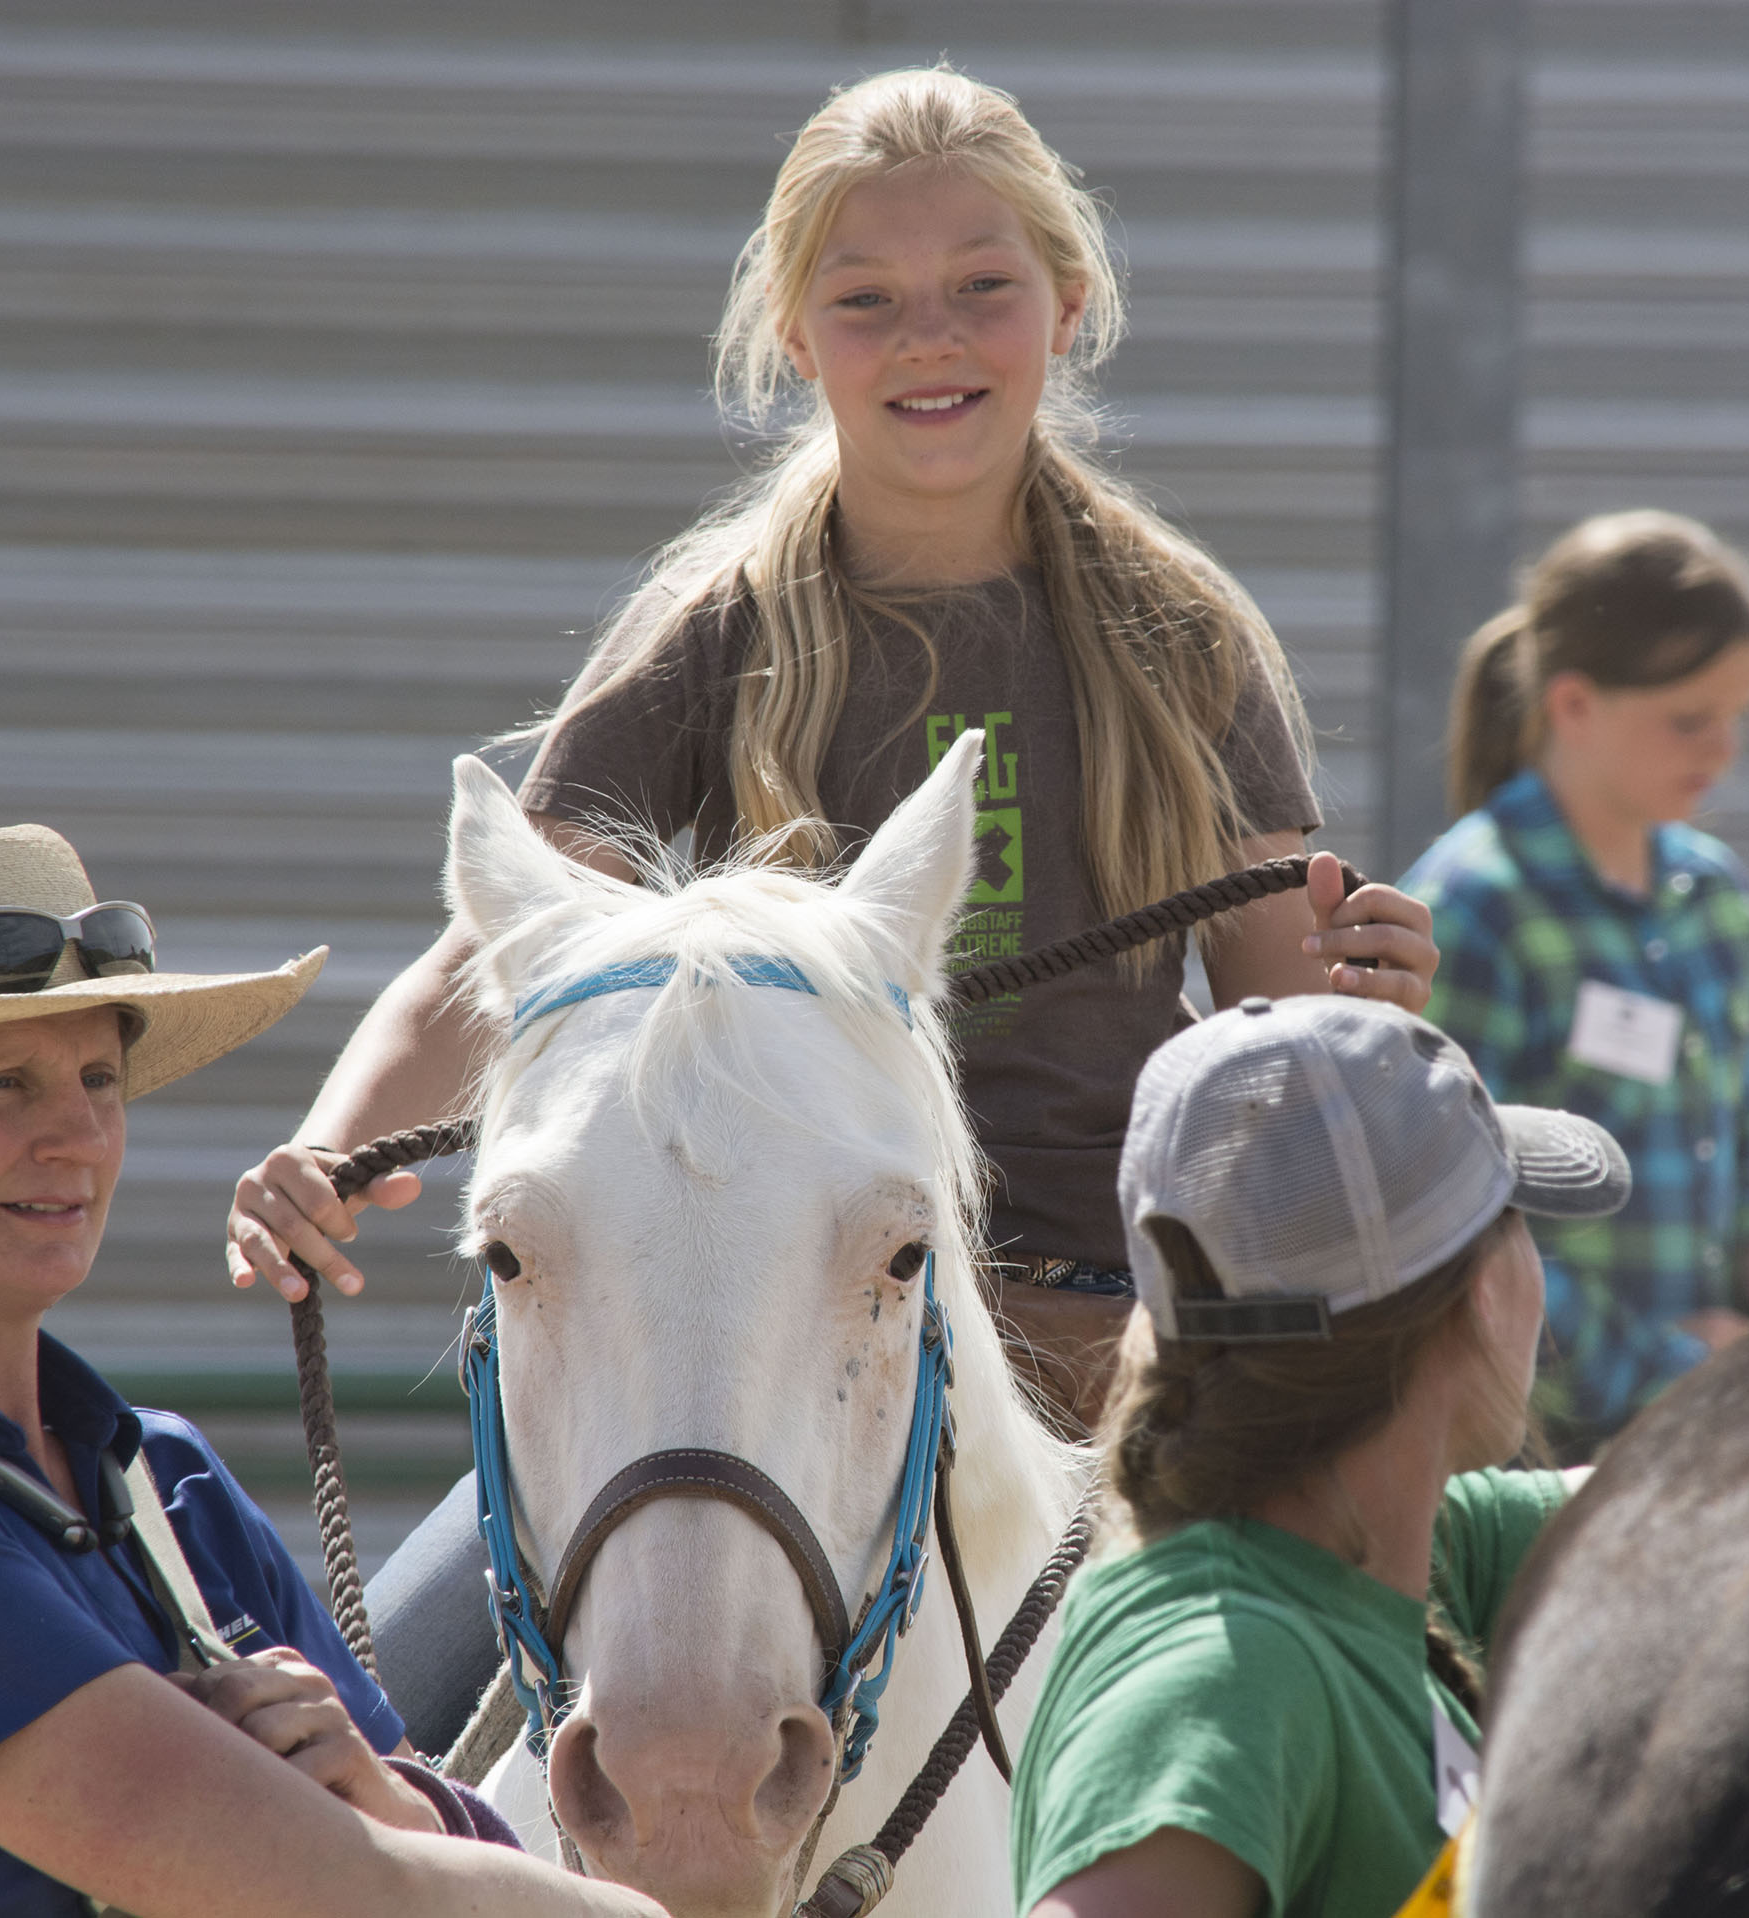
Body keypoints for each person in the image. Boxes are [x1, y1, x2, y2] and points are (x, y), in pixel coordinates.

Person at [219, 64, 1439, 1756]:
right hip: (768, 1351)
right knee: (403, 1715)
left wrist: (1367, 994)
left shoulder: (1184, 633)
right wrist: (335, 1148)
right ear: (800, 339)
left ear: (1066, 309)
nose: (929, 337)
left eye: (980, 289)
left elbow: (1273, 1002)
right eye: (869, 301)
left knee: (1410, 1721)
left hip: (1121, 1349)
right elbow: (495, 951)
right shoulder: (711, 626)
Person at [0, 825, 660, 1918]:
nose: (78, 1135)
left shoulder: (161, 1470)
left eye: (98, 1076)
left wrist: (385, 1796)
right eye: (1, 1085)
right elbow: (351, 1893)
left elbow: (419, 1848)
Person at [1010, 993, 1631, 1918]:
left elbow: (1701, 1497)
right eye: (1517, 1219)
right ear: (1480, 1294)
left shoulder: (1380, 1549)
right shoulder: (1227, 1676)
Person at [1401, 511, 1749, 1447]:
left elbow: (1735, 1185)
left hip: (1693, 1446)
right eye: (1690, 720)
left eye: (1739, 716)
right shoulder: (1476, 906)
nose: (1722, 749)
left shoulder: (1717, 899)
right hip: (1528, 1459)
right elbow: (1449, 1219)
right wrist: (1665, 1368)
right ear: (1573, 704)